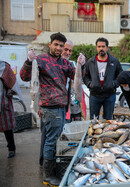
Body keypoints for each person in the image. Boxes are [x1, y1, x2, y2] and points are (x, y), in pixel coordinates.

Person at [20, 32, 84, 186]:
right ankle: (48, 175)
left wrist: (82, 64)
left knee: (55, 140)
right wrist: (29, 61)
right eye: (56, 44)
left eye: (61, 46)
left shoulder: (65, 63)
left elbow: (77, 76)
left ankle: (52, 170)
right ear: (50, 44)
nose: (59, 48)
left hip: (62, 107)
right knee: (51, 141)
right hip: (49, 107)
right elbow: (24, 76)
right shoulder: (41, 60)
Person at [83, 37, 123, 120]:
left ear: (107, 48)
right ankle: (93, 133)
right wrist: (90, 84)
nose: (101, 48)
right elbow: (85, 76)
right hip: (95, 95)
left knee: (108, 120)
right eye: (99, 46)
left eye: (103, 46)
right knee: (93, 120)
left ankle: (107, 133)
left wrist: (114, 84)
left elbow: (120, 75)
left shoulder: (114, 61)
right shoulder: (90, 62)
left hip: (109, 95)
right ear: (96, 48)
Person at [0, 60, 21, 158]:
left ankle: (11, 148)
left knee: (7, 128)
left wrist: (10, 93)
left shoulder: (3, 66)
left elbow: (13, 83)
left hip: (3, 102)